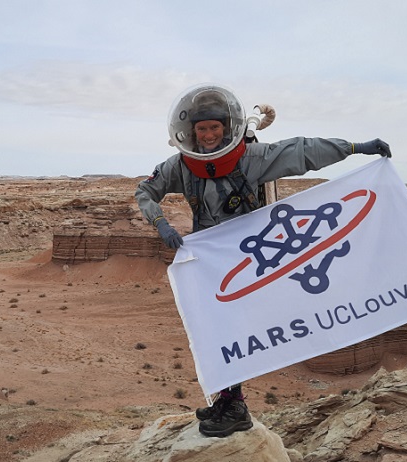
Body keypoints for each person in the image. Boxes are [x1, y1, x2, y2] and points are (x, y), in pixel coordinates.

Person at [134, 83, 391, 438]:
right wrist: (160, 222)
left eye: (214, 127)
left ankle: (234, 405)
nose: (208, 135)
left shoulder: (250, 159)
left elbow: (302, 152)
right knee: (215, 328)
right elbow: (145, 191)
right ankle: (228, 399)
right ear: (191, 133)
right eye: (201, 129)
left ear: (226, 127)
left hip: (253, 256)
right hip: (211, 259)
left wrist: (354, 148)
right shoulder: (182, 166)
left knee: (234, 328)